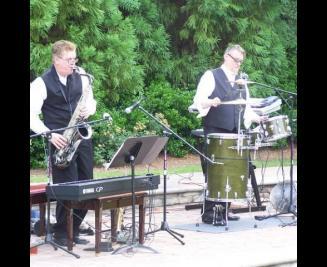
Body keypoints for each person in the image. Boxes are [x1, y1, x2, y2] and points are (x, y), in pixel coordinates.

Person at [30, 40, 97, 246]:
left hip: (80, 136)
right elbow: (31, 114)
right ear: (56, 60)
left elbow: (91, 101)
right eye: (68, 60)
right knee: (67, 187)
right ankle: (61, 233)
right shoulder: (41, 83)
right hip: (59, 140)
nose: (73, 63)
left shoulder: (82, 75)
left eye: (74, 58)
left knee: (87, 184)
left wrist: (90, 109)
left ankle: (74, 229)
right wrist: (49, 134)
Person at [191, 44, 266, 223]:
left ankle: (225, 209)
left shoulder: (241, 81)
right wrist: (211, 102)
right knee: (216, 171)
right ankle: (209, 213)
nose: (238, 64)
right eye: (235, 60)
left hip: (235, 132)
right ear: (226, 57)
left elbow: (246, 109)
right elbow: (197, 101)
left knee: (235, 169)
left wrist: (259, 119)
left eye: (241, 61)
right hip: (216, 130)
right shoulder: (211, 75)